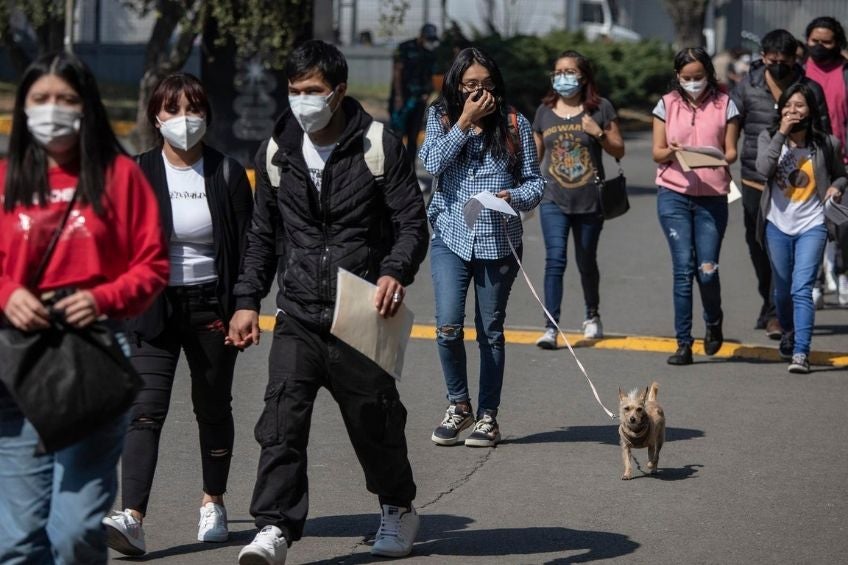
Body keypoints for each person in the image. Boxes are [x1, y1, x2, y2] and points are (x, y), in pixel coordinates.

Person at [228, 40, 429, 565]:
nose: (302, 101)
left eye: (312, 91)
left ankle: (397, 507)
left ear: (337, 91)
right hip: (297, 312)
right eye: (294, 91)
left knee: (374, 421)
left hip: (360, 309)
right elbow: (262, 233)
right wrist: (247, 298)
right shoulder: (276, 149)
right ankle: (273, 528)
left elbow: (411, 221)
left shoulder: (378, 144)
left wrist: (393, 271)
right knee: (281, 424)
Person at [0, 51, 168, 564]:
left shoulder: (118, 177)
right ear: (23, 107)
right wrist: (8, 291)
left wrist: (101, 297)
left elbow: (153, 266)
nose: (53, 109)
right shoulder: (8, 178)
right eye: (41, 99)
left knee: (72, 535)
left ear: (86, 107)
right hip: (17, 361)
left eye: (66, 99)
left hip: (92, 357)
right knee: (15, 541)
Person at [101, 73, 253, 556]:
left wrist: (244, 305)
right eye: (173, 110)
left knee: (212, 407)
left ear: (207, 116)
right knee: (144, 412)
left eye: (194, 109)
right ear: (156, 117)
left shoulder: (227, 173)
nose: (184, 120)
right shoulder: (135, 173)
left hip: (212, 307)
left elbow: (251, 249)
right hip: (152, 309)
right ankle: (133, 517)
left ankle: (214, 501)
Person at [420, 47, 544, 447]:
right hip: (451, 237)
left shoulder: (514, 123)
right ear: (457, 85)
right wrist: (464, 121)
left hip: (499, 241)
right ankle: (459, 406)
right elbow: (431, 164)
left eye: (486, 85)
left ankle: (488, 416)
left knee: (490, 331)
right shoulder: (440, 117)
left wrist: (515, 198)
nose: (479, 92)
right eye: (471, 85)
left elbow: (534, 182)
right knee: (447, 326)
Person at [731, 29, 830, 338]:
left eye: (784, 61)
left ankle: (776, 314)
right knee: (757, 248)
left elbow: (823, 129)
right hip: (754, 179)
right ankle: (770, 301)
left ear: (794, 59)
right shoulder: (747, 87)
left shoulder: (809, 89)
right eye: (772, 60)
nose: (778, 65)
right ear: (763, 57)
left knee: (781, 253)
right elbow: (732, 125)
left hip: (797, 186)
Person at [652, 47, 740, 366]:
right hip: (674, 193)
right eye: (686, 78)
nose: (693, 83)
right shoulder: (666, 104)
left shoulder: (725, 104)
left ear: (709, 75)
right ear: (677, 77)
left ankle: (713, 320)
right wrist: (673, 151)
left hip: (713, 196)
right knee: (683, 269)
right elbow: (657, 152)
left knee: (706, 270)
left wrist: (713, 156)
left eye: (699, 77)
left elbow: (731, 153)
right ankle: (684, 343)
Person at [532, 49, 625, 349]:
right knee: (554, 260)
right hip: (553, 198)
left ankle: (592, 315)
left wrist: (598, 133)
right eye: (558, 73)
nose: (563, 78)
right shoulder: (544, 111)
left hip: (589, 199)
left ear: (583, 76)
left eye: (569, 72)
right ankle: (550, 326)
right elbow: (535, 158)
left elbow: (618, 150)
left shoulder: (600, 108)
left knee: (586, 261)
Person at [755, 83, 846, 373]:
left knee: (802, 289)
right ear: (780, 110)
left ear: (811, 110)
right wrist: (782, 133)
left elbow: (842, 175)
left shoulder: (826, 143)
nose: (793, 111)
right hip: (777, 225)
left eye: (800, 106)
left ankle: (801, 352)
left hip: (813, 224)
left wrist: (835, 186)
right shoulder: (769, 137)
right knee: (782, 292)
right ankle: (789, 333)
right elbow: (762, 169)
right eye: (788, 106)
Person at [804, 16, 848, 306]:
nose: (819, 47)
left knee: (843, 225)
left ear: (838, 43)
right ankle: (817, 280)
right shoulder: (799, 71)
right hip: (805, 161)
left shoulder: (845, 72)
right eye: (814, 41)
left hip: (842, 159)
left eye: (826, 42)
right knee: (811, 225)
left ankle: (842, 272)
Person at [389, 23, 439, 164]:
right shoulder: (404, 48)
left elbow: (431, 76)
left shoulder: (430, 54)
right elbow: (397, 72)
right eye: (428, 38)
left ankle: (410, 170)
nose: (430, 42)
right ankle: (394, 166)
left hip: (419, 99)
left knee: (413, 135)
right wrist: (398, 96)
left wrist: (428, 94)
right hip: (403, 98)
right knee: (397, 133)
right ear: (421, 36)